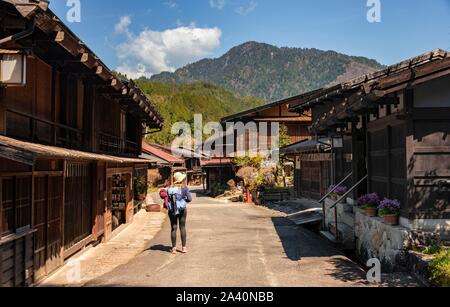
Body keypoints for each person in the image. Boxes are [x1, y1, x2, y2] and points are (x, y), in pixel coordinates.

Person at [160, 172, 192, 254]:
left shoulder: (170, 188)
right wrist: (183, 199)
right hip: (182, 209)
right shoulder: (184, 188)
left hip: (172, 210)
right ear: (181, 179)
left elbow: (167, 198)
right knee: (182, 227)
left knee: (173, 228)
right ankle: (184, 248)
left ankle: (174, 248)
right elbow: (189, 199)